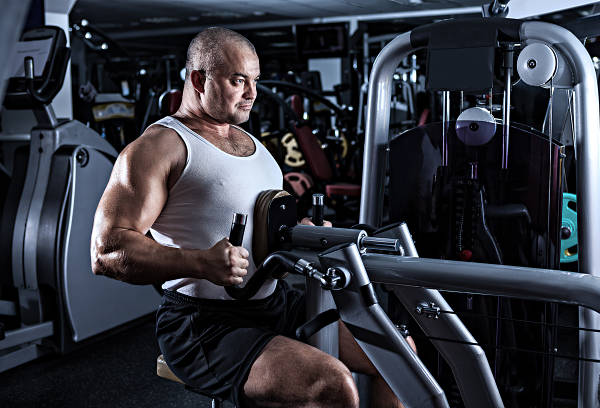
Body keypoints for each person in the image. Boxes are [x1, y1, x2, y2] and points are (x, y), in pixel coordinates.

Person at [91, 27, 413, 408]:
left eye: (254, 80)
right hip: (203, 325)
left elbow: (261, 226)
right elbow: (107, 251)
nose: (252, 93)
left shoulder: (253, 144)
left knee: (400, 354)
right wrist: (199, 263)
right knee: (331, 385)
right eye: (238, 80)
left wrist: (301, 236)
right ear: (199, 79)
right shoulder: (159, 147)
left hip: (273, 302)